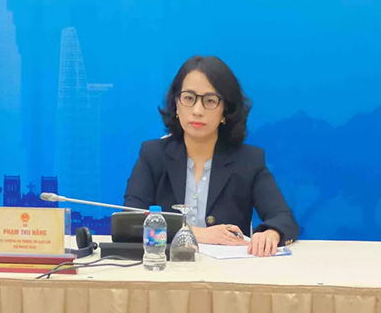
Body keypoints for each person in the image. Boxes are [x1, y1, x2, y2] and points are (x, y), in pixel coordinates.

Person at [123, 55, 298, 256]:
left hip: (228, 272)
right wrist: (197, 233)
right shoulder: (153, 155)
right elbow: (130, 222)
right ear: (176, 104)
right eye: (189, 98)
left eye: (210, 101)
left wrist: (271, 234)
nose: (197, 110)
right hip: (166, 269)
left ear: (225, 110)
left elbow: (284, 218)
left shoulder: (248, 160)